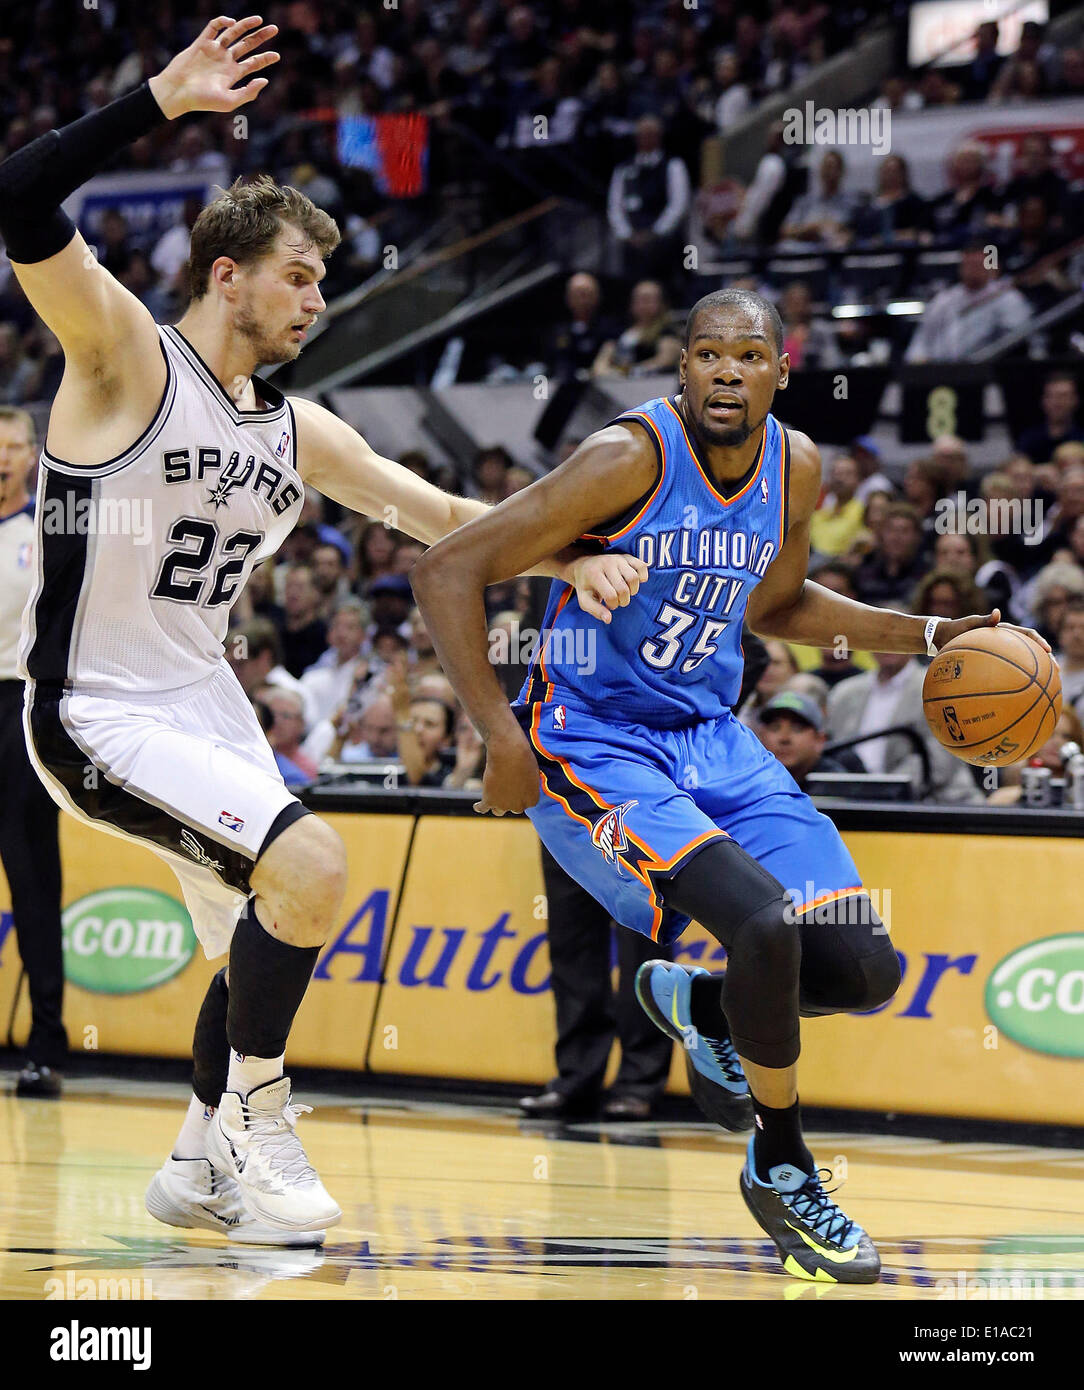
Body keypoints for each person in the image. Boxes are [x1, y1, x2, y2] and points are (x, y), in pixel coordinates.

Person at [1, 17, 641, 1248]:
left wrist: (572, 551)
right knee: (315, 867)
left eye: (323, 282)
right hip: (91, 709)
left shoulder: (302, 432)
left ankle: (195, 1165)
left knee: (270, 925)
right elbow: (17, 193)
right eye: (299, 276)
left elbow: (445, 514)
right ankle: (260, 1117)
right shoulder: (122, 355)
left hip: (204, 707)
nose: (317, 299)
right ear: (227, 274)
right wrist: (159, 100)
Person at [410, 285, 1047, 1283]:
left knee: (862, 971)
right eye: (708, 354)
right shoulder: (628, 457)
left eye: (747, 357)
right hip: (597, 738)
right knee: (763, 928)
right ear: (682, 368)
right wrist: (496, 734)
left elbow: (782, 603)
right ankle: (781, 1164)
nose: (725, 372)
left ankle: (703, 1010)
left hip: (713, 735)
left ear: (779, 371)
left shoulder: (794, 463)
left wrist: (926, 633)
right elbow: (447, 567)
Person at [0, 406, 67, 1096]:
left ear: (30, 454)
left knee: (33, 882)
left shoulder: (46, 530)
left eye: (12, 447)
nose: (1, 458)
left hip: (18, 710)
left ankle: (45, 1043)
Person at [756, 691, 854, 793]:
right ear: (759, 736)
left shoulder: (837, 786)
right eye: (775, 728)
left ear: (820, 740)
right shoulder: (748, 780)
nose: (784, 738)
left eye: (797, 728)